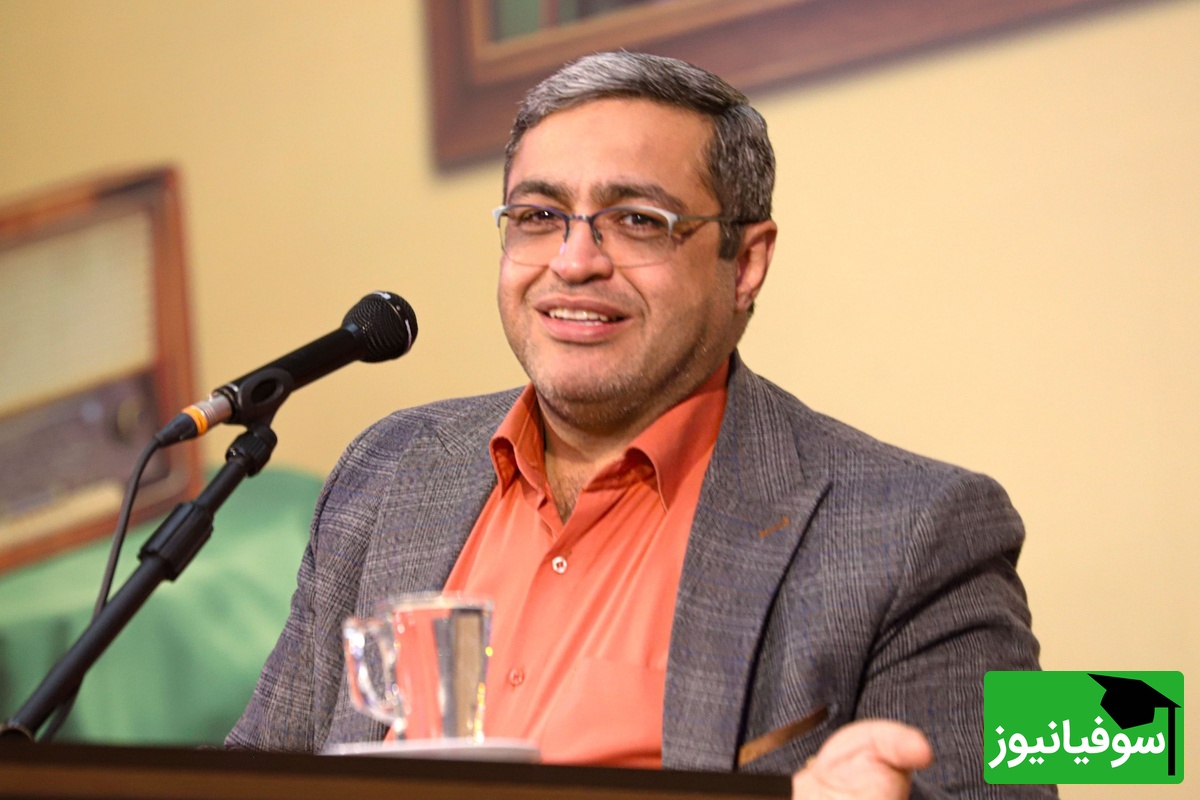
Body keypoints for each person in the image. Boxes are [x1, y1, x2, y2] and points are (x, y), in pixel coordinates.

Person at [228, 52, 1052, 799]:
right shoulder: (392, 470)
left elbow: (1015, 787)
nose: (574, 261)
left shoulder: (924, 528)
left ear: (747, 262)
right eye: (538, 216)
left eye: (637, 221)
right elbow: (249, 773)